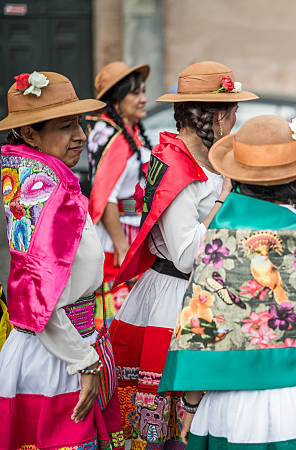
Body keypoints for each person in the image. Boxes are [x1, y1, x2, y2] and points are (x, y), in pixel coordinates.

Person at [159, 114, 296, 448]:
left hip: (232, 408)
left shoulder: (217, 245)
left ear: (236, 179)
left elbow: (202, 331)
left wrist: (192, 404)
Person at [109, 61, 258, 446]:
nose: (236, 121)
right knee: (170, 426)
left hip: (204, 295)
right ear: (216, 116)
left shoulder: (199, 161)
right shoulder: (179, 168)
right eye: (233, 112)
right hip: (176, 300)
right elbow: (188, 255)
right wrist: (224, 196)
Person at [0, 71, 124, 448]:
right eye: (65, 126)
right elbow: (41, 298)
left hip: (69, 347)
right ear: (31, 135)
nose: (81, 136)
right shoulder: (41, 192)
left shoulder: (46, 181)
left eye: (80, 124)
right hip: (55, 358)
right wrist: (83, 361)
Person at [87, 61, 152, 329]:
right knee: (116, 316)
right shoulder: (110, 136)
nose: (143, 99)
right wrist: (123, 246)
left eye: (144, 91)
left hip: (133, 231)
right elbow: (106, 196)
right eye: (135, 93)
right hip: (118, 238)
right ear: (116, 100)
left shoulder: (131, 133)